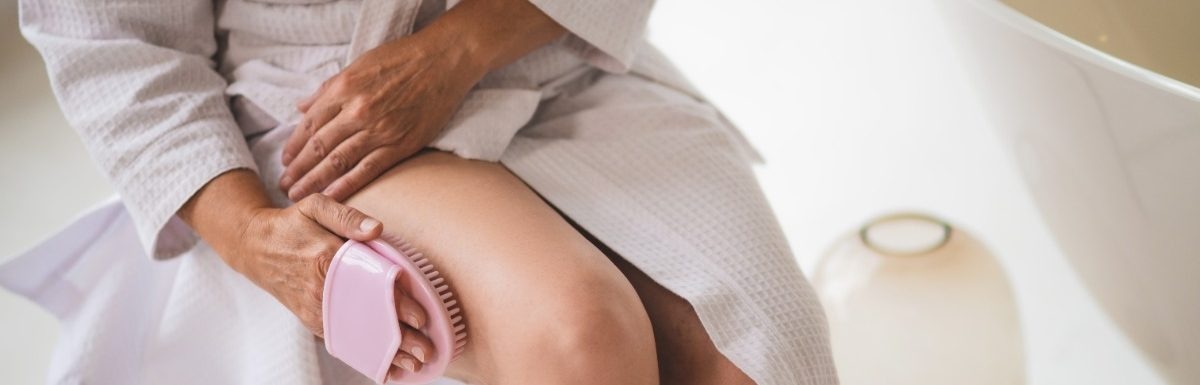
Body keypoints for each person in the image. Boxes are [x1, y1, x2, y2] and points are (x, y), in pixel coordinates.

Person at [12, 0, 836, 384]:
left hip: (549, 48)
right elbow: (108, 35)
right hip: (319, 107)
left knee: (758, 351)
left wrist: (464, 43)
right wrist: (248, 233)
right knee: (577, 338)